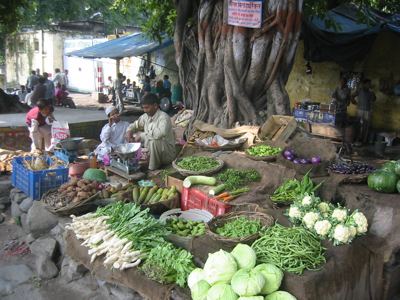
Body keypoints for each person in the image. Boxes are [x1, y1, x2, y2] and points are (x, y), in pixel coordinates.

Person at [125, 93, 176, 170]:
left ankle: (152, 168)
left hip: (167, 154)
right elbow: (135, 125)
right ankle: (144, 161)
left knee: (153, 141)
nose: (145, 110)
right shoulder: (146, 116)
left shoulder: (164, 117)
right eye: (143, 108)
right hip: (152, 152)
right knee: (134, 136)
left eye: (147, 108)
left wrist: (141, 135)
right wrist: (129, 131)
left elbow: (159, 134)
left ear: (155, 105)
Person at [352, 78, 376, 144]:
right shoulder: (359, 90)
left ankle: (364, 141)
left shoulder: (370, 92)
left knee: (366, 126)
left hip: (367, 111)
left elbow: (374, 99)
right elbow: (352, 96)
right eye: (368, 84)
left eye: (370, 84)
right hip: (359, 110)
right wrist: (354, 102)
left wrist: (372, 92)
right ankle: (356, 139)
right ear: (364, 84)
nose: (369, 85)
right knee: (358, 125)